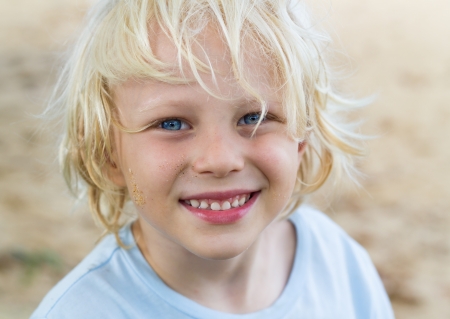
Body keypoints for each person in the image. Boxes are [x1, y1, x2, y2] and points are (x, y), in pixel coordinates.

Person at [31, 0, 395, 318]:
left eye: (254, 118)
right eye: (172, 124)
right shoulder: (79, 312)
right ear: (109, 154)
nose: (220, 160)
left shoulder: (341, 267)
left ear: (302, 134)